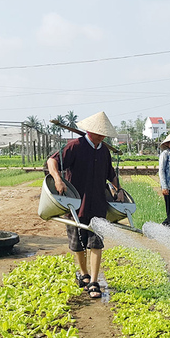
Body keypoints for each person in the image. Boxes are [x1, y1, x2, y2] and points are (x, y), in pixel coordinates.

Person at [46, 111, 120, 300]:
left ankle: (94, 281)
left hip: (98, 204)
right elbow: (52, 161)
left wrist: (116, 188)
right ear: (90, 131)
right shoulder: (75, 146)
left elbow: (110, 174)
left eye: (104, 134)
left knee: (96, 243)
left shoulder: (104, 150)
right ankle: (84, 274)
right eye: (99, 133)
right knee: (77, 244)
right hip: (75, 204)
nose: (102, 136)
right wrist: (58, 179)